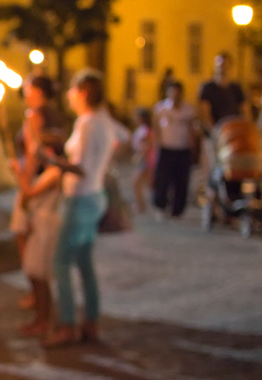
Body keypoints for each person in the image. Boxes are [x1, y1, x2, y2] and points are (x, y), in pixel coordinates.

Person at [37, 69, 117, 348]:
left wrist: (52, 160)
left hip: (81, 197)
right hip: (95, 195)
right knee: (84, 262)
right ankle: (91, 321)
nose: (69, 96)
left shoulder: (87, 123)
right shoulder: (104, 121)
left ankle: (68, 324)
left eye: (72, 91)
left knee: (60, 262)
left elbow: (79, 167)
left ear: (83, 93)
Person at [11, 75, 67, 336]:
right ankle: (42, 313)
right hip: (38, 199)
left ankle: (48, 318)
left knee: (38, 267)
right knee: (35, 265)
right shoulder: (41, 118)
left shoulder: (52, 171)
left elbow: (33, 181)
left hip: (43, 207)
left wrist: (23, 180)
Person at [152, 82, 198, 218]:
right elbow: (156, 128)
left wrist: (193, 148)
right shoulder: (161, 108)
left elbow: (193, 130)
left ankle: (178, 209)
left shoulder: (188, 110)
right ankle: (161, 205)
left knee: (181, 181)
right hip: (166, 148)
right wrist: (156, 145)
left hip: (182, 149)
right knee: (162, 179)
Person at [130, 107, 155, 214]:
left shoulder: (146, 130)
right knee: (148, 183)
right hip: (145, 159)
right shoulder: (142, 129)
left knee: (136, 183)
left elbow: (147, 145)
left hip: (146, 160)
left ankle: (141, 204)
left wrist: (139, 156)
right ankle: (145, 203)